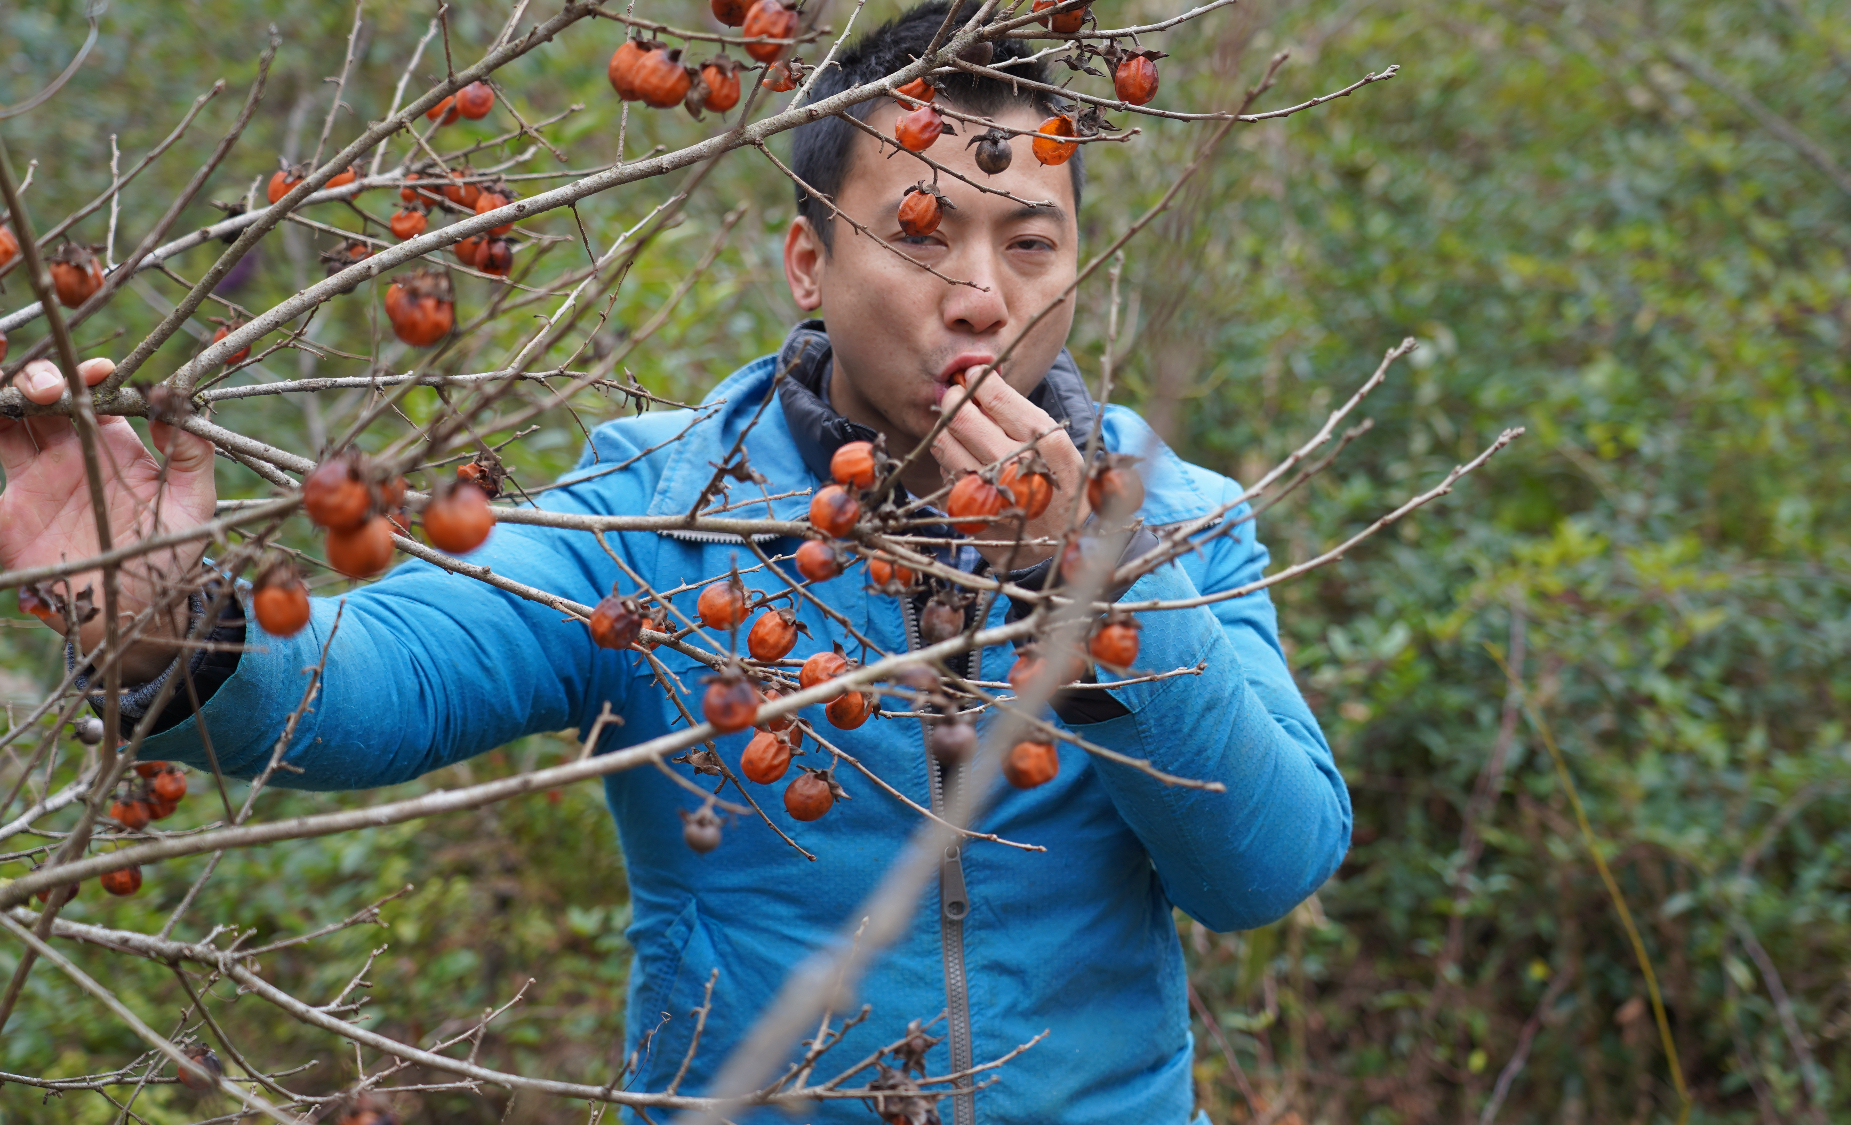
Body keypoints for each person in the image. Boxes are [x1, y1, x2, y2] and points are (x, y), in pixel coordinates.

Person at [0, 4, 1351, 1121]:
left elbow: (1268, 865)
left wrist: (1090, 584)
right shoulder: (662, 512)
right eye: (922, 233)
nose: (983, 292)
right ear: (807, 264)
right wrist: (174, 616)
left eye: (1032, 241)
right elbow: (388, 678)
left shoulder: (1174, 518)